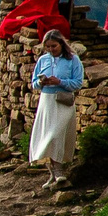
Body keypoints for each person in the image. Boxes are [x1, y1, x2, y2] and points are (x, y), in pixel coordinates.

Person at [28, 28, 86, 186]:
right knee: (48, 135)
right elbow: (33, 83)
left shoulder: (73, 60)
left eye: (54, 46)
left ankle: (58, 170)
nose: (51, 50)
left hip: (63, 101)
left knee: (57, 135)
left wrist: (59, 82)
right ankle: (54, 173)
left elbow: (77, 83)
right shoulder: (43, 60)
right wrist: (41, 82)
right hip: (47, 100)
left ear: (61, 44)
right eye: (48, 47)